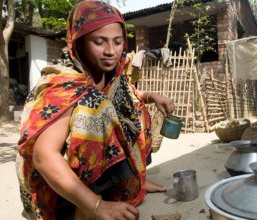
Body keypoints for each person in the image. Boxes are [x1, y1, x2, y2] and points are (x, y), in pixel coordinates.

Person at [16, 1, 175, 219]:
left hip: (87, 173)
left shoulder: (110, 75)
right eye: (99, 42)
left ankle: (126, 185)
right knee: (96, 108)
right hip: (56, 188)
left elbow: (129, 91)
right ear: (79, 43)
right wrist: (97, 206)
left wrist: (151, 97)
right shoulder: (64, 83)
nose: (111, 51)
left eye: (117, 42)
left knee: (130, 105)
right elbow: (43, 157)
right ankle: (81, 209)